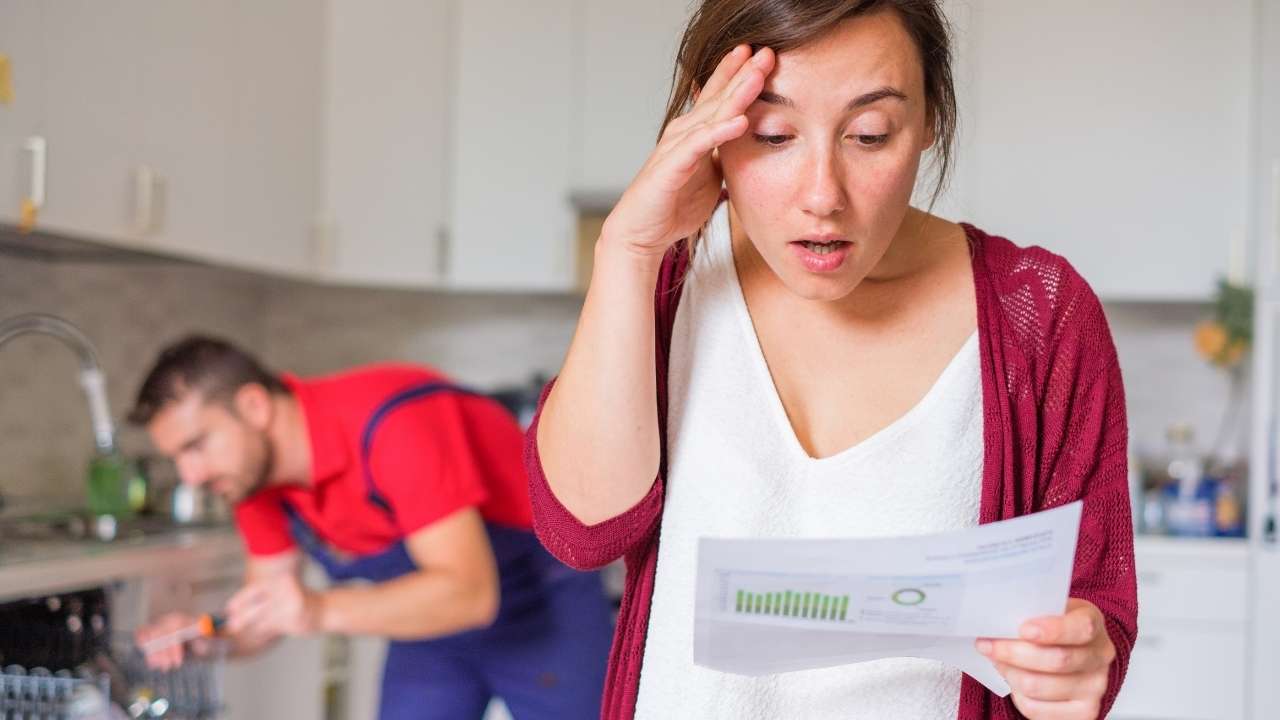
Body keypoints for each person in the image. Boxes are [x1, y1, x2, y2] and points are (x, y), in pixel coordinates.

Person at [527, 1, 1136, 719]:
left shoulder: (1039, 312)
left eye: (869, 135)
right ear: (712, 126)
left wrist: (1073, 661)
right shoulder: (670, 280)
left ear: (931, 119)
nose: (822, 195)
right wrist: (626, 251)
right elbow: (584, 530)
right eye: (774, 134)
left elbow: (1093, 611)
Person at [129, 337, 612, 720]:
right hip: (428, 624)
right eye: (177, 458)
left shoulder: (392, 422)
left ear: (254, 406)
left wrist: (317, 610)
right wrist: (214, 638)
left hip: (542, 606)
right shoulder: (249, 479)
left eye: (197, 445)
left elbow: (470, 594)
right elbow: (270, 608)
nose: (190, 476)